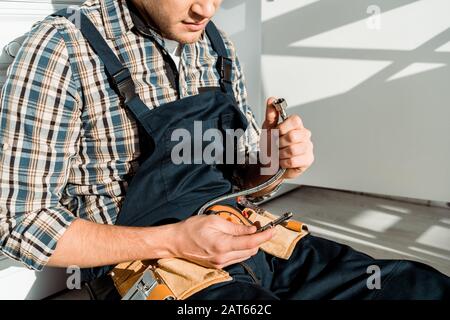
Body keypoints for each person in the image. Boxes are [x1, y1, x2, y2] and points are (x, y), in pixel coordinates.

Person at [0, 0, 448, 300]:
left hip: (248, 239)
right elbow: (18, 224)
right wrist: (174, 239)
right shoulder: (62, 47)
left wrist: (271, 163)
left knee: (418, 287)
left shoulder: (214, 43)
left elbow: (238, 181)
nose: (206, 8)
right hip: (154, 269)